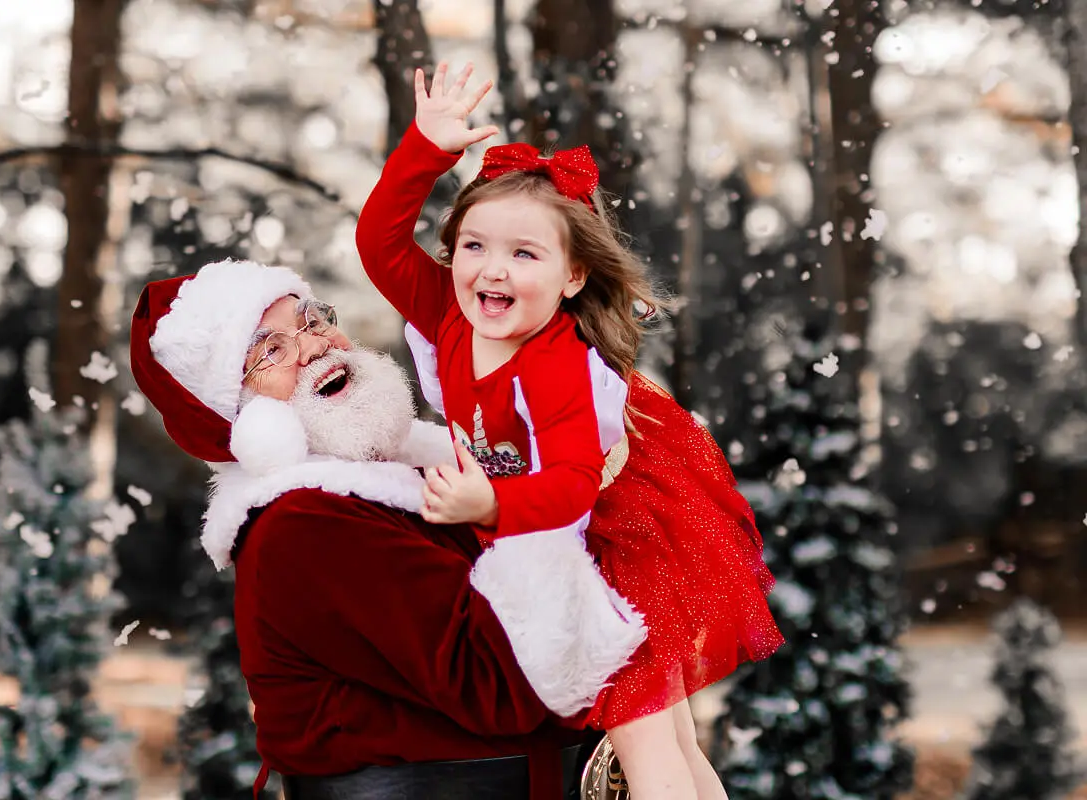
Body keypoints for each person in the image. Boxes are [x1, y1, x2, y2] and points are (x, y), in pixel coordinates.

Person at [354, 62, 786, 800]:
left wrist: (488, 507)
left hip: (621, 534)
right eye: (475, 246)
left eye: (525, 254)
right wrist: (424, 149)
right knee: (671, 734)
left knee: (645, 737)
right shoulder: (449, 313)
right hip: (567, 527)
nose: (492, 270)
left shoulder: (551, 367)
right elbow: (378, 244)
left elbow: (569, 489)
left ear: (574, 277)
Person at [128, 258, 644, 800]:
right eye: (270, 351)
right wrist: (542, 507)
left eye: (312, 321)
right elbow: (506, 681)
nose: (314, 346)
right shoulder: (306, 526)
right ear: (238, 415)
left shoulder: (415, 479)